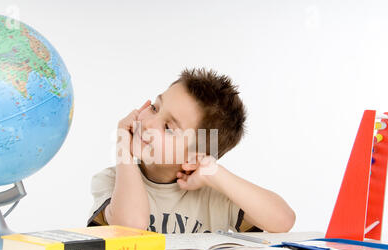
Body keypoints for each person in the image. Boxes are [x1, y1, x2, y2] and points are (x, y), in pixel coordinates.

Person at [87, 68, 295, 234]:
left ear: (195, 156)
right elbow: (130, 227)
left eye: (168, 128)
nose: (148, 123)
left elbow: (284, 220)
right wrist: (124, 146)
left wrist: (215, 173)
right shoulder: (114, 181)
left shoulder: (214, 195)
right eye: (155, 108)